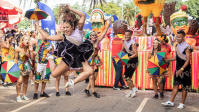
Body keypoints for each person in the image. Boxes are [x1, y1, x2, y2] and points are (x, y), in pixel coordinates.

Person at [34, 4, 94, 88]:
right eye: (64, 27)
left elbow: (83, 15)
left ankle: (72, 82)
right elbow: (48, 37)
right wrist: (38, 28)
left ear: (73, 26)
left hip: (78, 59)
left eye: (67, 27)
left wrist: (70, 8)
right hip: (67, 60)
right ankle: (50, 59)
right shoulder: (63, 36)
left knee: (90, 71)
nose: (65, 29)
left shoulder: (78, 30)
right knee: (54, 74)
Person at [162, 30, 192, 109]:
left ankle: (182, 103)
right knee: (175, 85)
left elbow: (188, 60)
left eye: (179, 37)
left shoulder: (187, 47)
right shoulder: (177, 46)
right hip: (178, 69)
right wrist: (167, 60)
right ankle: (171, 101)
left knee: (184, 87)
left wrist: (181, 69)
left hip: (185, 70)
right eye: (176, 37)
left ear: (183, 37)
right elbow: (177, 57)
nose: (177, 38)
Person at [85, 20, 111, 98]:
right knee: (91, 77)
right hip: (89, 61)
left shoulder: (98, 41)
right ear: (90, 36)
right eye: (92, 35)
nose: (94, 36)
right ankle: (93, 92)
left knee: (95, 77)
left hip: (96, 60)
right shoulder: (87, 43)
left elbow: (103, 34)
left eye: (95, 35)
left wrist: (107, 25)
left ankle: (87, 89)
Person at [31, 29, 54, 99]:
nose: (45, 36)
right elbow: (30, 45)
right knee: (37, 78)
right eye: (44, 35)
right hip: (38, 63)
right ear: (41, 35)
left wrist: (50, 58)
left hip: (46, 64)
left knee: (45, 78)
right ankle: (35, 93)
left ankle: (42, 92)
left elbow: (52, 54)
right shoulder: (37, 41)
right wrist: (33, 52)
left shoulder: (50, 45)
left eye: (46, 35)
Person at [15, 35, 34, 102]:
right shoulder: (18, 48)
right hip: (19, 66)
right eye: (25, 39)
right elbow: (16, 59)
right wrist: (15, 68)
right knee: (19, 81)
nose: (27, 41)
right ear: (22, 41)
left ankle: (24, 95)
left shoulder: (29, 48)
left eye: (28, 39)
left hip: (27, 65)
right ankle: (18, 96)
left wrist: (31, 51)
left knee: (25, 82)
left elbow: (32, 58)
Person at [122, 30, 138, 98]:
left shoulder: (133, 43)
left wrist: (129, 57)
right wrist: (120, 55)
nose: (126, 36)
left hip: (133, 61)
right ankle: (131, 91)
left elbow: (136, 54)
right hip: (127, 61)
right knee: (126, 77)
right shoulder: (124, 42)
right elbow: (122, 50)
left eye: (128, 35)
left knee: (127, 76)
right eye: (125, 35)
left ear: (131, 35)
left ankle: (134, 88)